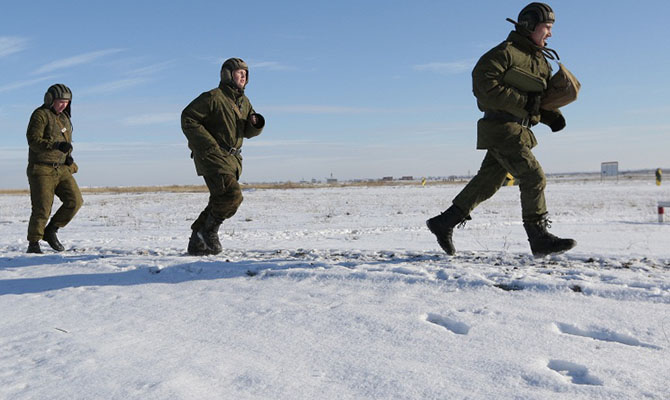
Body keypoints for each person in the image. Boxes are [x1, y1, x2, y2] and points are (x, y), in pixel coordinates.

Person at [427, 3, 576, 257]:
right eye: (547, 28)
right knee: (533, 177)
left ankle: (444, 222)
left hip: (519, 130)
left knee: (488, 183)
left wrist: (552, 116)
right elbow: (483, 84)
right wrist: (523, 102)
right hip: (501, 129)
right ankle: (538, 237)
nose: (550, 33)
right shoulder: (505, 53)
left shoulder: (541, 61)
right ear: (529, 25)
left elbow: (537, 99)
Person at [182, 58, 265, 255]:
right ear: (227, 74)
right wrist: (208, 145)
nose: (243, 75)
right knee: (232, 196)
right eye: (239, 72)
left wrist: (255, 123)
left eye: (246, 72)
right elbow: (188, 118)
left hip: (232, 159)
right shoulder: (213, 97)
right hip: (212, 156)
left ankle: (197, 240)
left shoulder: (244, 102)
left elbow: (247, 132)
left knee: (220, 198)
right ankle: (209, 232)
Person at [25, 83, 83, 253]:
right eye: (60, 101)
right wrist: (55, 145)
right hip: (41, 169)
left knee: (75, 201)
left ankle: (51, 230)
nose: (63, 105)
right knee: (42, 208)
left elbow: (66, 144)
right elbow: (33, 141)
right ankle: (34, 244)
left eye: (67, 102)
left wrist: (68, 157)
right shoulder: (40, 115)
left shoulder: (64, 118)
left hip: (62, 169)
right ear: (50, 99)